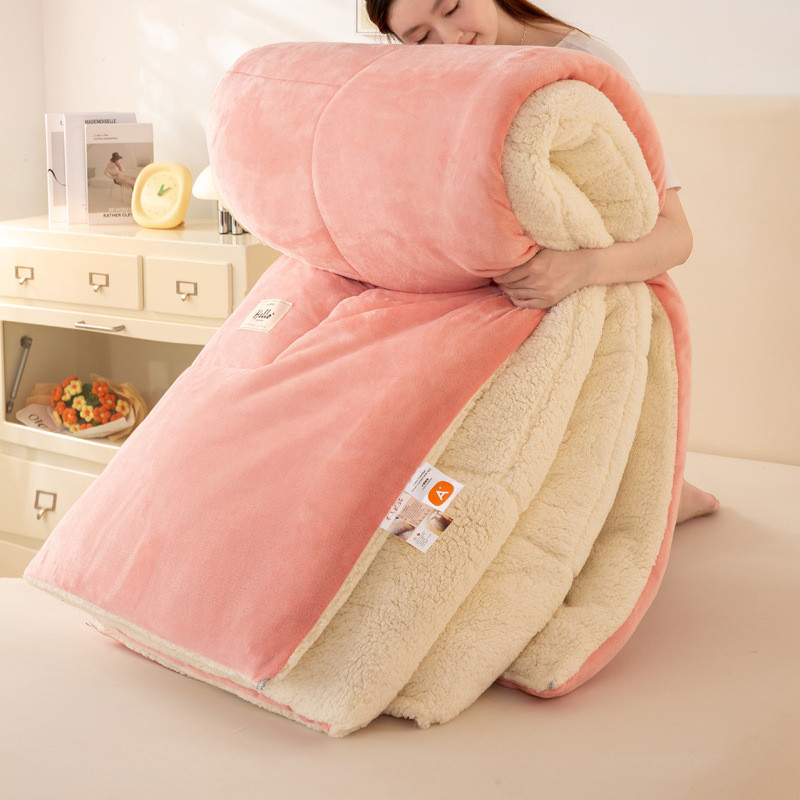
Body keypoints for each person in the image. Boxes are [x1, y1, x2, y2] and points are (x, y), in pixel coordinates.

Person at [366, 0, 720, 524]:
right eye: (420, 37)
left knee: (469, 438)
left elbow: (676, 236)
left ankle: (659, 493)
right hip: (480, 290)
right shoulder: (435, 76)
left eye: (452, 8)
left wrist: (575, 270)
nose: (448, 38)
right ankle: (408, 534)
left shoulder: (585, 67)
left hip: (569, 294)